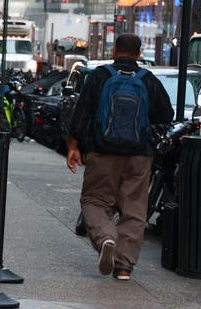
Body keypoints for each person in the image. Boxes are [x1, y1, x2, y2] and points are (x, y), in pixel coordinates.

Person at [66, 34, 172, 281]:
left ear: (115, 51)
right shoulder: (148, 80)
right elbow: (166, 115)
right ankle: (124, 266)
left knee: (93, 200)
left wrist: (73, 145)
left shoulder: (100, 77)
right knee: (134, 208)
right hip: (139, 155)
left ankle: (106, 238)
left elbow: (82, 113)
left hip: (102, 152)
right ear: (139, 53)